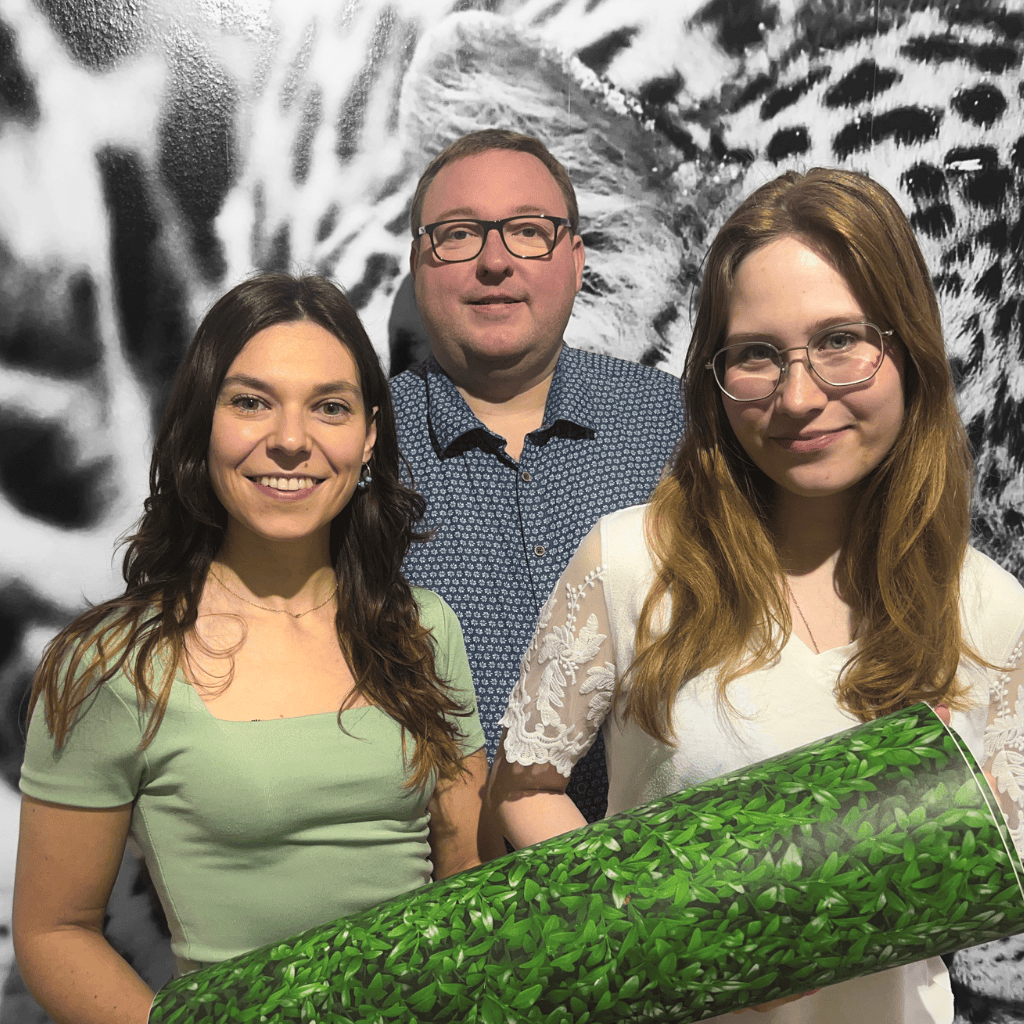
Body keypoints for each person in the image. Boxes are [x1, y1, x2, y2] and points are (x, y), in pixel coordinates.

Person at [488, 168, 1024, 1023]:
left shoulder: (991, 613)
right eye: (757, 354)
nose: (800, 397)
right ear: (714, 373)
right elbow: (522, 789)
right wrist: (645, 930)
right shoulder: (631, 563)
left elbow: (992, 875)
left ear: (911, 350)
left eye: (843, 339)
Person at [14, 274, 494, 1024]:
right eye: (250, 401)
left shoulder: (425, 630)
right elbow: (53, 931)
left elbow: (470, 884)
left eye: (329, 407)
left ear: (369, 437)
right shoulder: (111, 663)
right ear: (203, 423)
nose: (292, 439)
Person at [391, 128, 687, 822]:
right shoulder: (360, 449)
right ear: (418, 262)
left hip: (682, 890)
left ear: (576, 260)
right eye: (459, 235)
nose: (495, 261)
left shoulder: (676, 423)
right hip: (448, 897)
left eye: (529, 231)